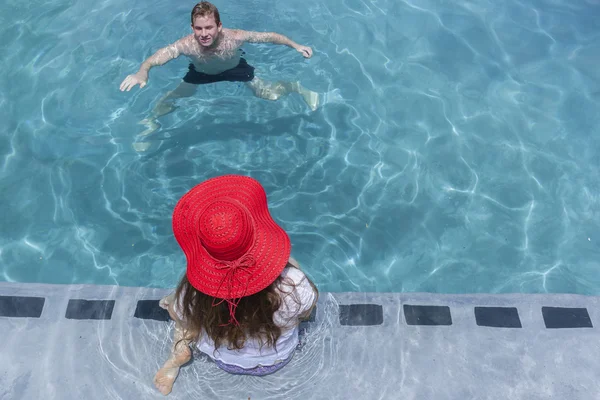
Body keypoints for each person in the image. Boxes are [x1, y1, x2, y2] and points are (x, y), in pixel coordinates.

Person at [153, 174, 318, 395]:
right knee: (291, 268)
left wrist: (178, 305)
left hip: (225, 361)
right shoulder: (294, 285)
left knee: (181, 312)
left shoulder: (193, 293)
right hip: (277, 358)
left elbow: (180, 314)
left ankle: (178, 354)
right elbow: (306, 311)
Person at [120, 1, 319, 150]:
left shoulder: (235, 37)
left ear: (219, 26)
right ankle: (151, 122)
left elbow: (270, 37)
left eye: (209, 27)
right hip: (201, 72)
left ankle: (296, 87)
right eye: (198, 28)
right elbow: (155, 59)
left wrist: (296, 46)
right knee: (174, 97)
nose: (204, 33)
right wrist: (141, 72)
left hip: (235, 68)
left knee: (269, 94)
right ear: (192, 28)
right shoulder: (186, 44)